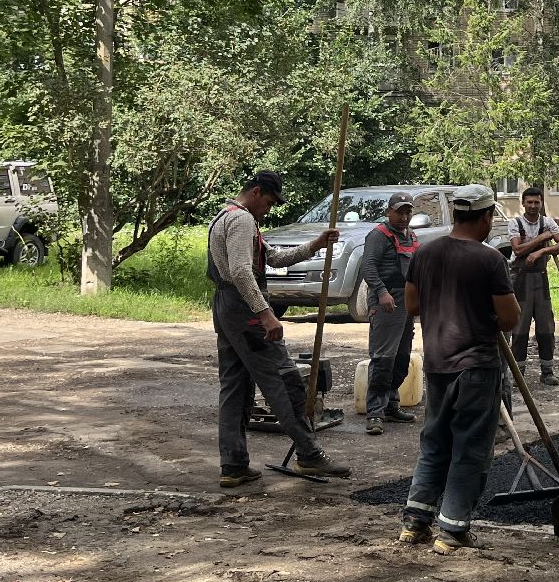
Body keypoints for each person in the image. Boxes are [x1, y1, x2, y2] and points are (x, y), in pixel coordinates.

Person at [208, 170, 350, 488]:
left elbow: (272, 259)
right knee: (285, 383)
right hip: (246, 316)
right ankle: (309, 455)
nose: (269, 210)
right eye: (269, 202)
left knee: (235, 388)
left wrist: (315, 245)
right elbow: (243, 272)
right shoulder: (242, 221)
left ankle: (233, 464)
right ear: (256, 192)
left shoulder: (226, 216)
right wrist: (266, 314)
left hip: (227, 311)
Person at [399, 184, 519, 552]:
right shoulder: (489, 260)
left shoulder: (425, 253)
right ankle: (451, 530)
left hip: (437, 363)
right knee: (470, 447)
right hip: (476, 366)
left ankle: (416, 522)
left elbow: (412, 306)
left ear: (454, 215)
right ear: (484, 217)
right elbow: (510, 318)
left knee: (435, 442)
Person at [360, 192, 419, 434]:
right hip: (386, 301)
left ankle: (391, 405)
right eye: (399, 211)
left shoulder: (410, 236)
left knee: (402, 358)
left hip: (406, 300)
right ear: (388, 212)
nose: (404, 216)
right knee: (383, 358)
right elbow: (368, 266)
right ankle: (375, 413)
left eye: (408, 212)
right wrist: (381, 292)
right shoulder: (378, 236)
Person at [507, 186, 559, 386]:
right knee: (519, 328)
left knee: (546, 327)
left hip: (541, 280)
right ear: (523, 203)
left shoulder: (547, 222)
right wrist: (542, 238)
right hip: (520, 280)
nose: (533, 206)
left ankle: (547, 371)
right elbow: (517, 250)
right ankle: (519, 374)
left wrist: (541, 252)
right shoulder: (515, 223)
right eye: (530, 202)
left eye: (537, 202)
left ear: (541, 203)